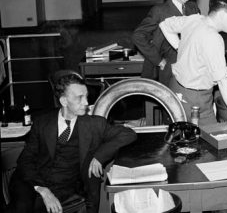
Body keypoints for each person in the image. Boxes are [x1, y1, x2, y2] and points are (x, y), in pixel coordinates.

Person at [7, 73, 137, 213]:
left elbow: (128, 134)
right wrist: (43, 190)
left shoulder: (94, 124)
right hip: (32, 183)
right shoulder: (42, 122)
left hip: (65, 189)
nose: (86, 103)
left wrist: (99, 156)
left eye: (86, 96)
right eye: (79, 98)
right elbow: (25, 160)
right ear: (64, 101)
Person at [159, 0, 227, 127]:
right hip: (195, 98)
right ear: (222, 14)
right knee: (211, 142)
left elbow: (165, 25)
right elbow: (222, 82)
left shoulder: (195, 19)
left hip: (176, 89)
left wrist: (180, 47)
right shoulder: (213, 38)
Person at [132, 0, 200, 86]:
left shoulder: (193, 8)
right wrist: (158, 60)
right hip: (168, 71)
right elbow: (138, 36)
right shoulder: (159, 11)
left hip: (191, 68)